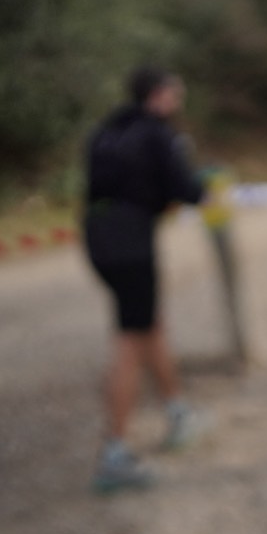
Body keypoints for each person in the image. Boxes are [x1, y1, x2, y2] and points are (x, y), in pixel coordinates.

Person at [83, 66, 207, 493]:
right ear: (159, 95)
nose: (178, 102)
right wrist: (205, 186)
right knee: (130, 339)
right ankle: (114, 453)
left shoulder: (107, 129)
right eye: (175, 94)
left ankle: (178, 412)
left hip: (99, 239)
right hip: (131, 243)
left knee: (148, 324)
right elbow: (187, 189)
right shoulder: (157, 132)